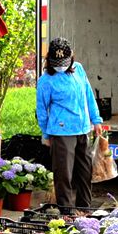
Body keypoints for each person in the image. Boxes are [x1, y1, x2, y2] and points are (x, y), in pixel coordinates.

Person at [36, 37, 104, 210]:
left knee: (85, 172)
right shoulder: (45, 81)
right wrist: (45, 134)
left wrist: (96, 119)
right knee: (64, 175)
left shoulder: (78, 69)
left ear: (71, 58)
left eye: (64, 63)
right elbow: (41, 110)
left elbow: (88, 94)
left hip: (83, 129)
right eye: (57, 63)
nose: (60, 67)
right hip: (61, 133)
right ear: (49, 60)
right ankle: (66, 210)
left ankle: (84, 209)